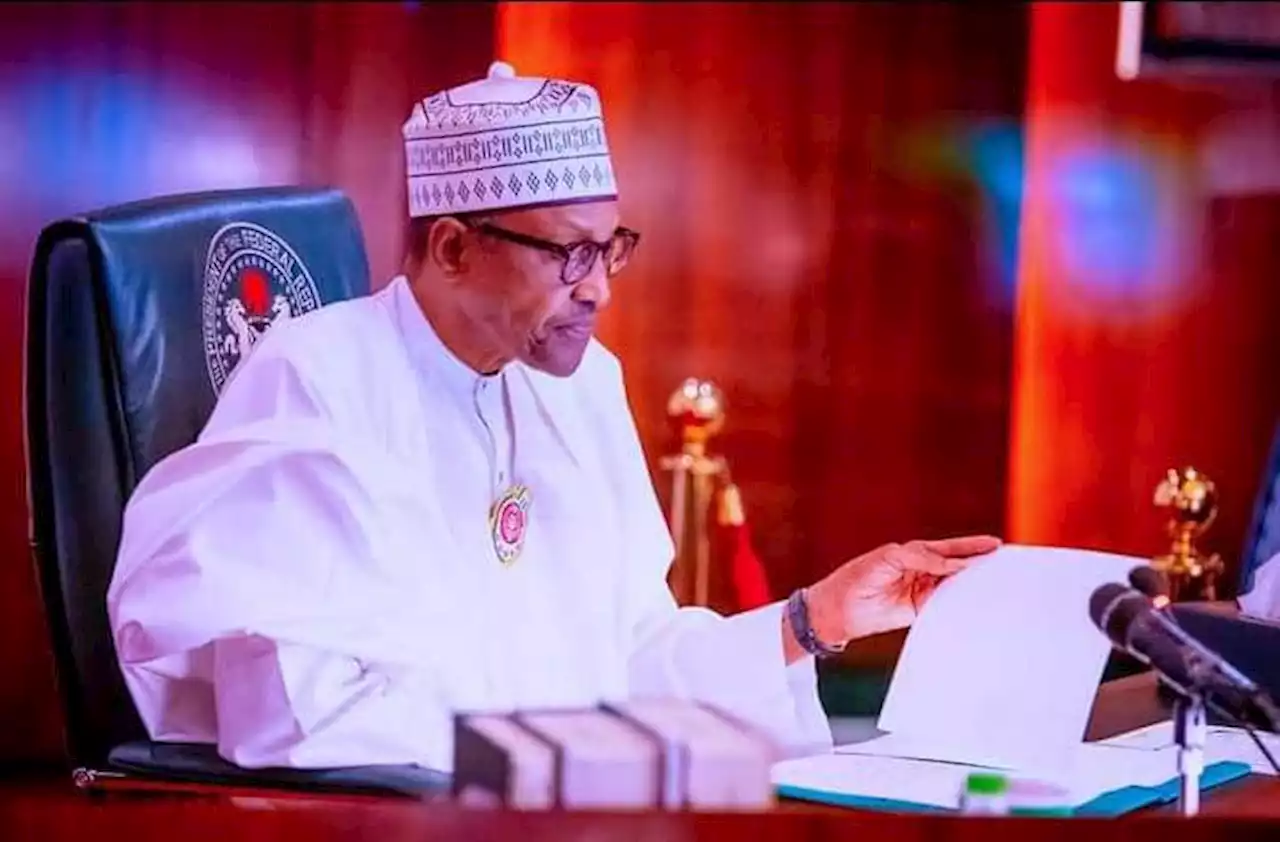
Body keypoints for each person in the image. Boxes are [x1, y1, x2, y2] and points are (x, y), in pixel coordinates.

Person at [107, 62, 1001, 773]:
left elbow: (630, 655)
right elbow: (296, 721)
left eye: (610, 248)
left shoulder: (578, 386)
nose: (601, 289)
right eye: (568, 255)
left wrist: (811, 622)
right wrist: (558, 764)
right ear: (454, 248)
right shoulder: (315, 381)